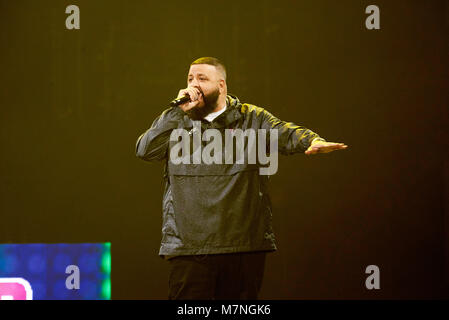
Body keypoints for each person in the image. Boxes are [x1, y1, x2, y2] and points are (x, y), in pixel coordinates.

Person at [135, 57, 348, 300]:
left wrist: (311, 141)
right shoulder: (177, 120)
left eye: (202, 79)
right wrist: (175, 113)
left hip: (242, 247)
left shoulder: (252, 119)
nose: (194, 85)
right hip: (190, 248)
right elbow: (145, 150)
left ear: (222, 86)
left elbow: (284, 132)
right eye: (190, 78)